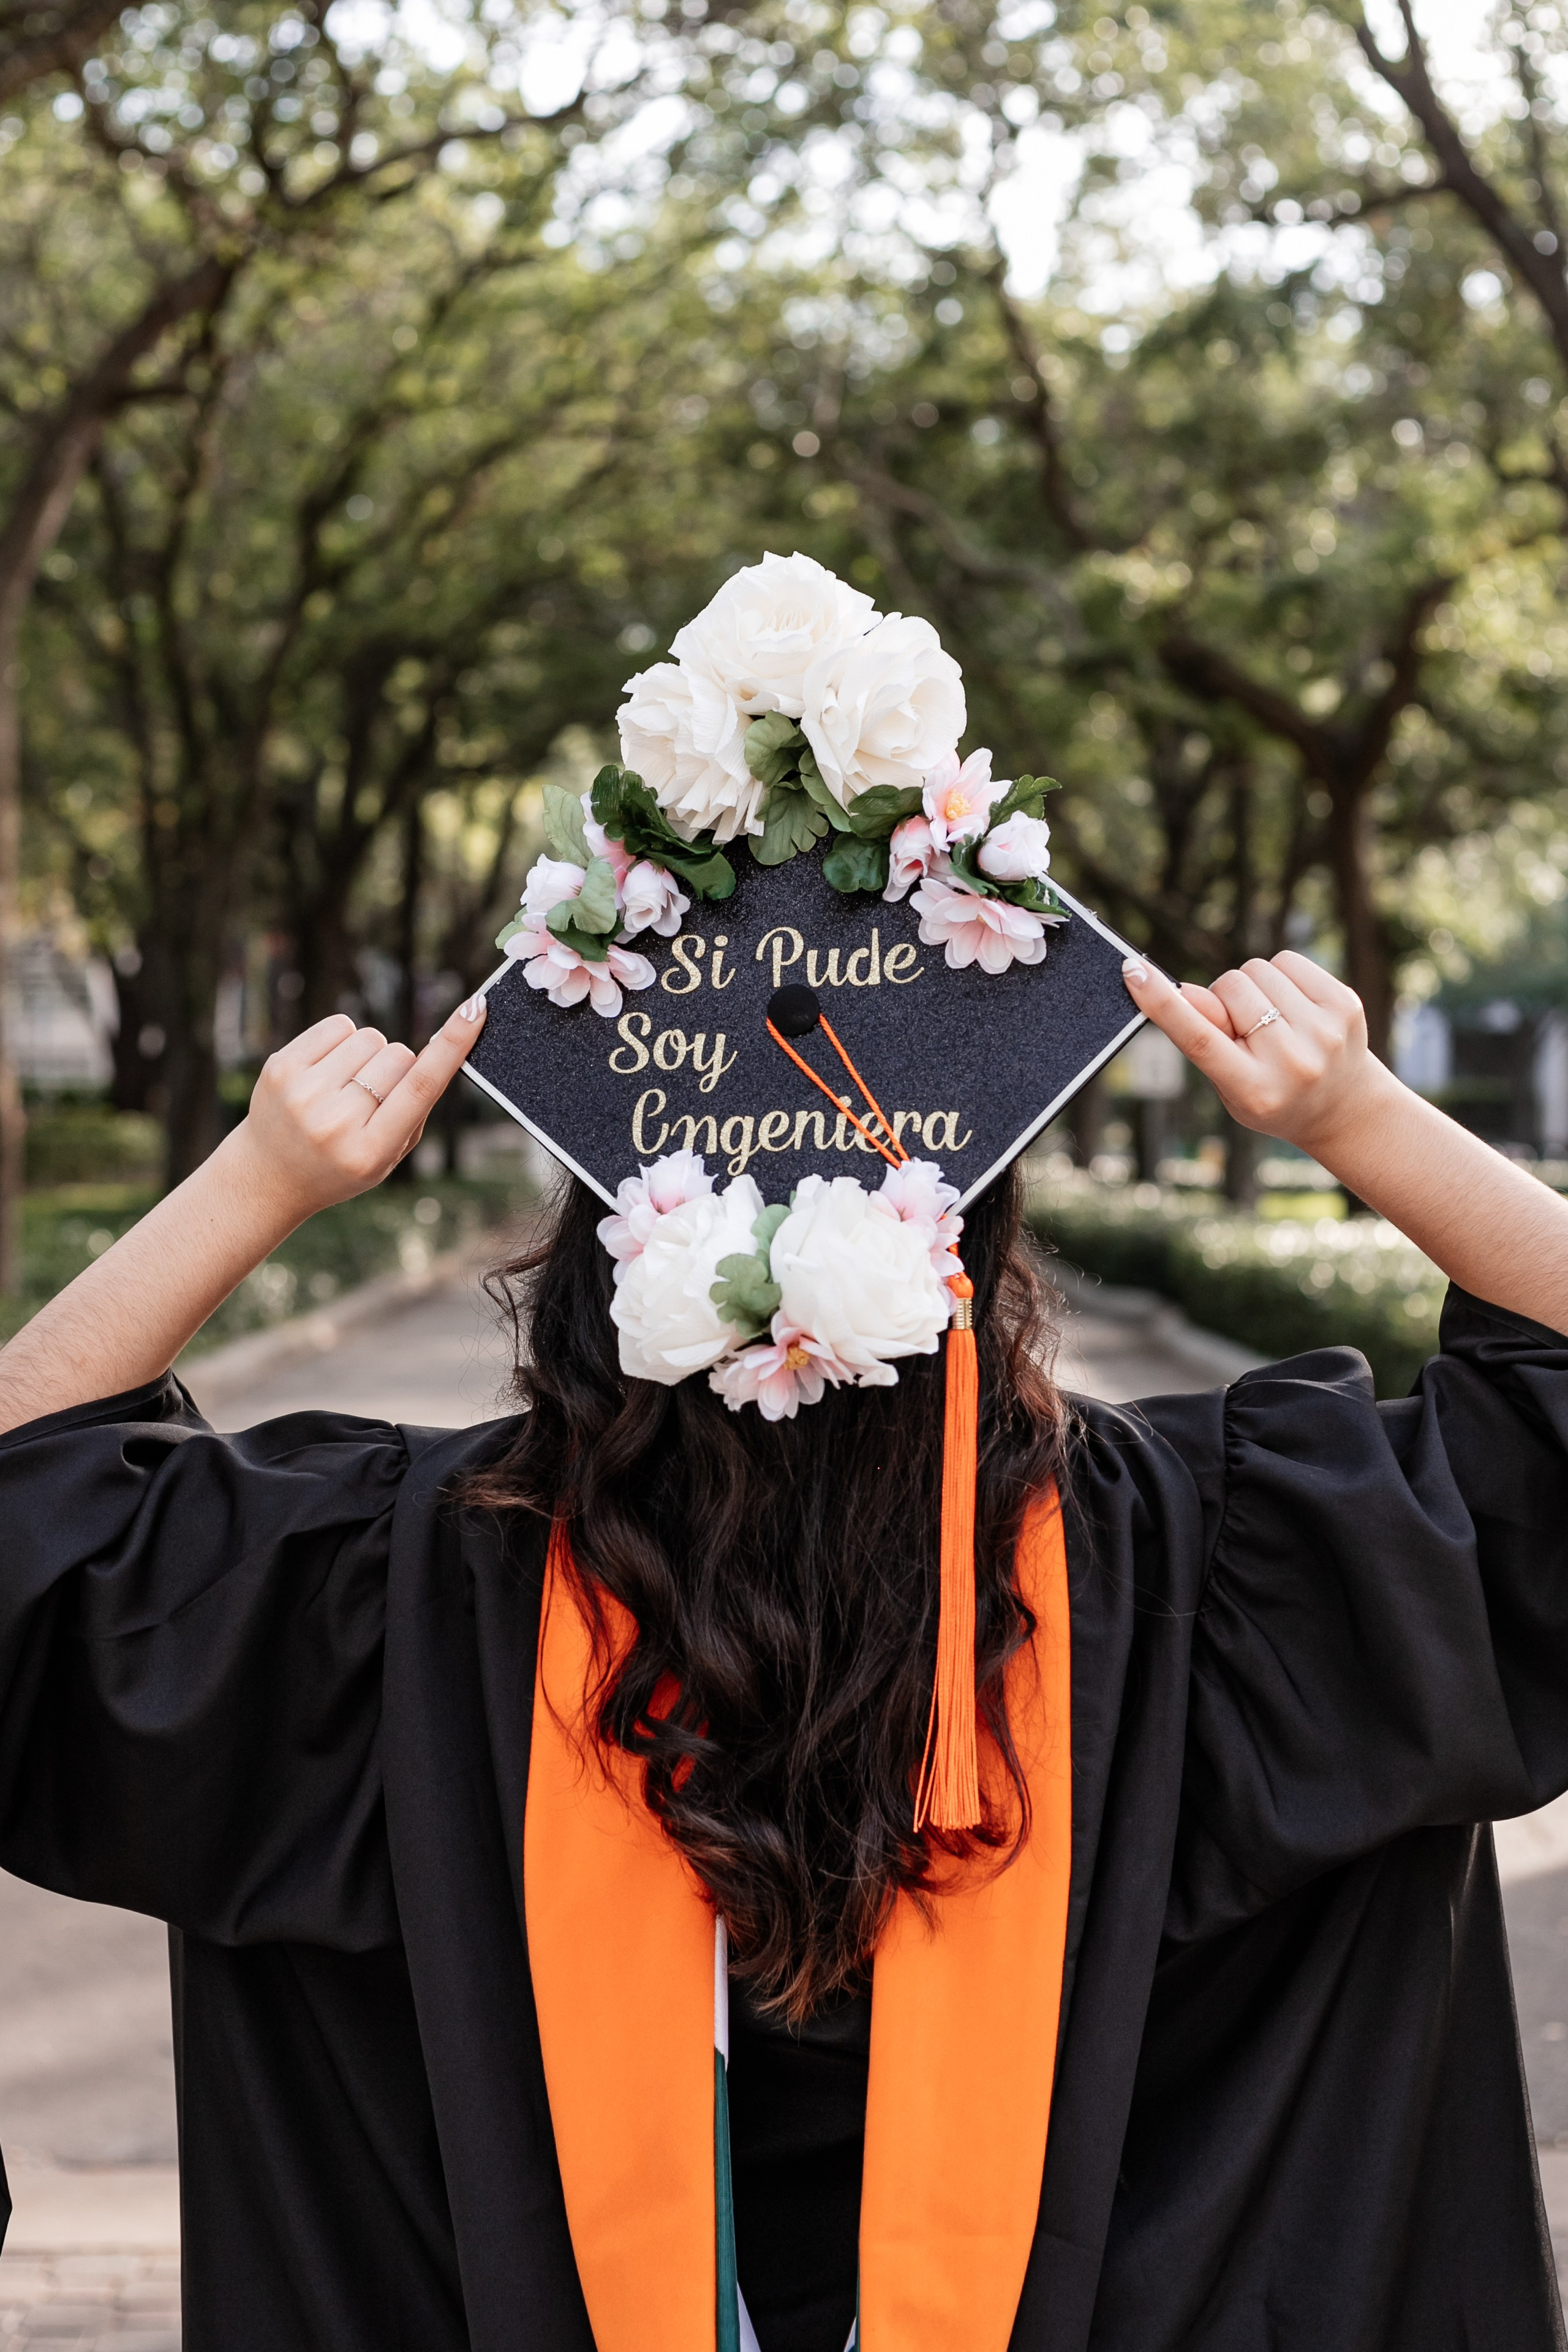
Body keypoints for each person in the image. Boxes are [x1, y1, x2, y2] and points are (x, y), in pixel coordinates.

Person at [2, 947, 1568, 2352]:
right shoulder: (1213, 1567)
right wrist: (1351, 1113)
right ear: (970, 1242)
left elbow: (29, 1508)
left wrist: (262, 1176)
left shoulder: (409, 1588)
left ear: (594, 1269)